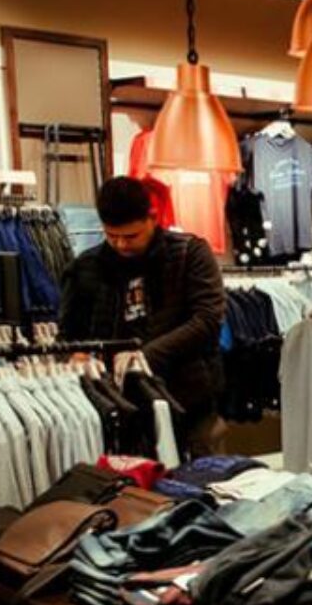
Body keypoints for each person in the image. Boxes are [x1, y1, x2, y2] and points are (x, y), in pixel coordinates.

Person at [60, 175, 227, 457]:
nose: (121, 245)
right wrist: (75, 356)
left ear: (152, 218)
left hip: (189, 403)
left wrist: (144, 357)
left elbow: (208, 320)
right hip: (118, 410)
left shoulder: (190, 254)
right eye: (111, 236)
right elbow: (68, 335)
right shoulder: (85, 268)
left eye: (131, 236)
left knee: (204, 479)